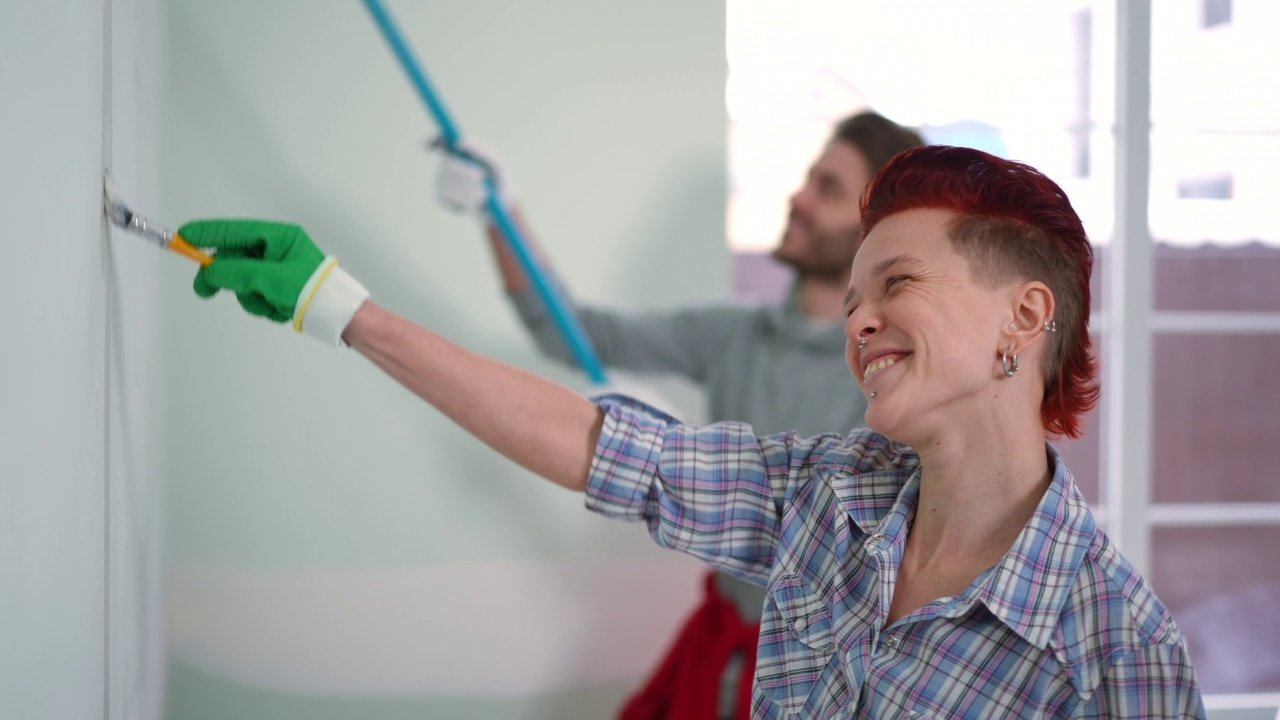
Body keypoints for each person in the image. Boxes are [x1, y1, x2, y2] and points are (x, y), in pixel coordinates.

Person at [182, 144, 1206, 718]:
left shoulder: (1115, 656)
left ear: (1023, 320)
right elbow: (595, 440)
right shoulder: (819, 496)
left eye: (894, 285)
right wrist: (338, 307)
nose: (856, 321)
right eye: (852, 296)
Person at [434, 112, 924, 717]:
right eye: (807, 178)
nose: (797, 198)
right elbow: (573, 334)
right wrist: (499, 214)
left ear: (870, 233)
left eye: (826, 189)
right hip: (720, 650)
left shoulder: (892, 377)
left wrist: (694, 462)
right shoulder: (731, 336)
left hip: (821, 678)